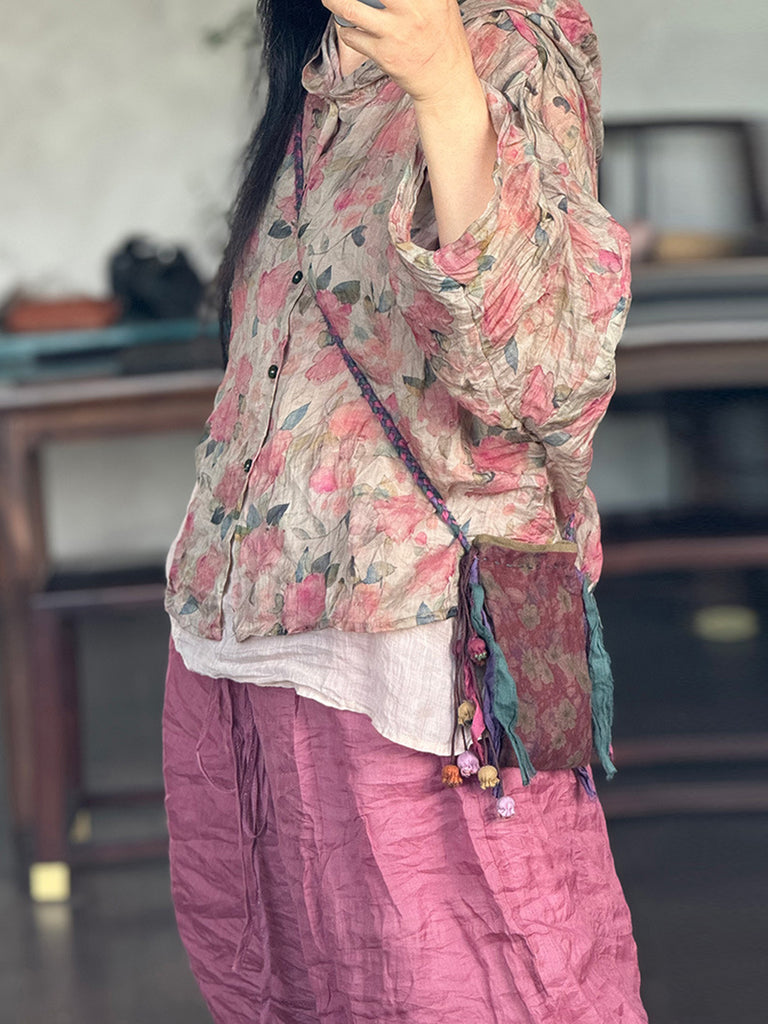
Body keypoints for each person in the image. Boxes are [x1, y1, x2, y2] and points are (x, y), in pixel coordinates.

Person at [161, 0, 649, 1020]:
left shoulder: (513, 41)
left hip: (429, 649)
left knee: (481, 982)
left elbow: (546, 379)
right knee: (293, 987)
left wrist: (447, 90)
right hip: (248, 634)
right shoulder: (319, 69)